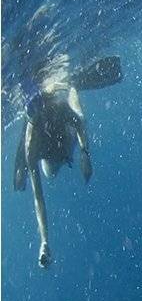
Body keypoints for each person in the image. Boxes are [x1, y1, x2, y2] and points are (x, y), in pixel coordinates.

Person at [13, 54, 122, 268]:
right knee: (53, 166)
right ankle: (72, 85)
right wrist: (44, 241)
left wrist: (84, 153)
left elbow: (38, 199)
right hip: (60, 141)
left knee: (73, 115)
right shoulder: (36, 147)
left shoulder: (41, 131)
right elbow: (38, 200)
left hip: (62, 135)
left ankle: (71, 85)